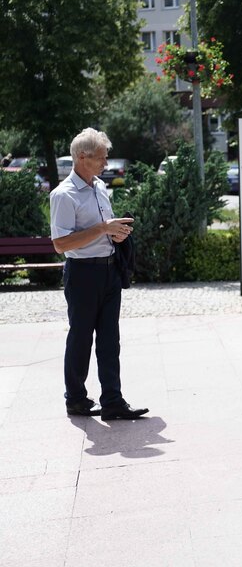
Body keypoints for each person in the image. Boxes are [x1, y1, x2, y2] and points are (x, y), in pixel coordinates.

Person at [49, 128, 148, 420]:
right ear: (82, 157)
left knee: (109, 340)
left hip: (109, 270)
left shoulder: (99, 187)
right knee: (81, 338)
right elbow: (60, 244)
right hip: (82, 274)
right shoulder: (63, 195)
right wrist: (103, 228)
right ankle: (76, 399)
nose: (106, 163)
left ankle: (113, 401)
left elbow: (103, 230)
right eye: (102, 158)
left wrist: (116, 234)